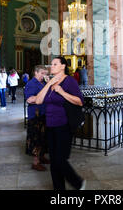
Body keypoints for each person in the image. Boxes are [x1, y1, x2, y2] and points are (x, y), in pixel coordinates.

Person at [34, 57, 86, 190]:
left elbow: (80, 101)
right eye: (51, 64)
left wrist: (61, 92)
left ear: (63, 66)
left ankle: (78, 183)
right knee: (54, 162)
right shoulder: (50, 83)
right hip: (50, 125)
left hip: (64, 125)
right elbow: (39, 101)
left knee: (60, 160)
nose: (52, 66)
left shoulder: (69, 81)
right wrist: (49, 83)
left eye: (55, 64)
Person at [25, 65, 50, 171]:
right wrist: (41, 97)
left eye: (45, 73)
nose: (43, 75)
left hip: (43, 113)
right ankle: (35, 163)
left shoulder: (43, 83)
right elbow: (29, 100)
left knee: (43, 137)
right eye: (42, 73)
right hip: (35, 115)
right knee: (35, 138)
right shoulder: (31, 84)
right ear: (36, 72)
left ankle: (42, 156)